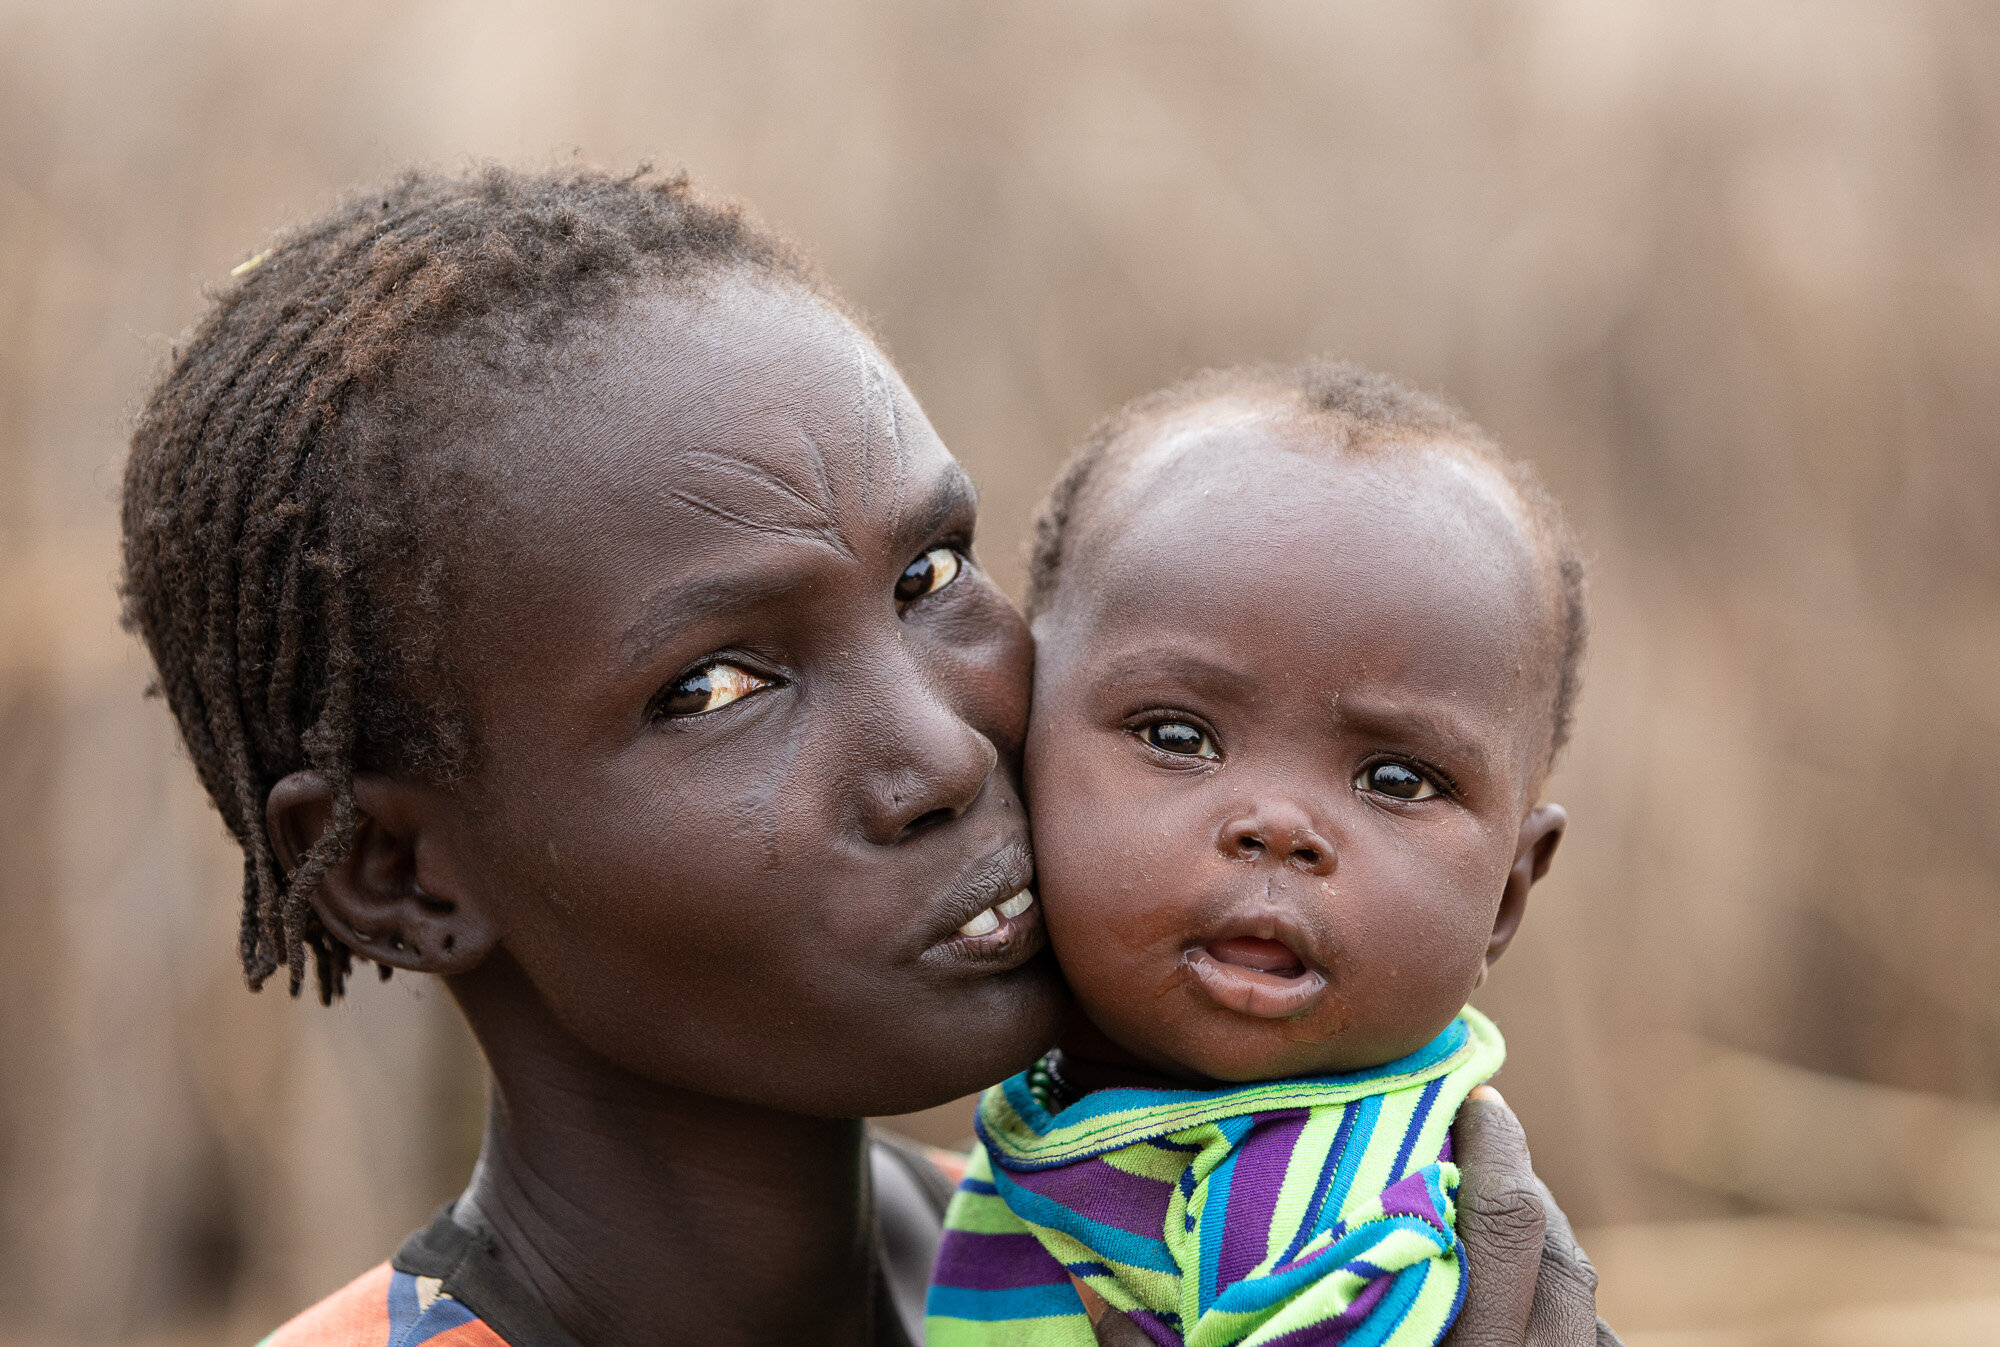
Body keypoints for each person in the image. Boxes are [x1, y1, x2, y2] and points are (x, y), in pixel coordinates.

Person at [119, 165, 1613, 1346]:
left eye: (931, 577)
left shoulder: (1153, 1261)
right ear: (398, 870)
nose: (943, 750)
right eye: (714, 685)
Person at [928, 363, 1598, 1346]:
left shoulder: (1340, 1223)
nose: (1277, 827)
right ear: (1021, 754)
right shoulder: (1071, 1116)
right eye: (1175, 736)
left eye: (1397, 780)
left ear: (1505, 894)